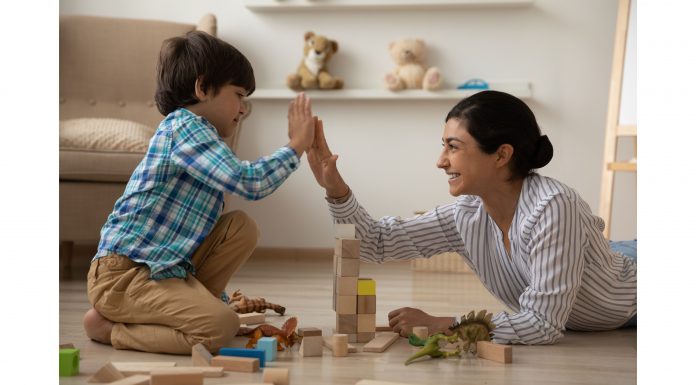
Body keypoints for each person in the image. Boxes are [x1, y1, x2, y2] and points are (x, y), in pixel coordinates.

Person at [307, 90, 636, 345]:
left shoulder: (554, 206)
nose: (440, 161)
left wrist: (447, 324)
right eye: (444, 146)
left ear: (501, 155)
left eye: (453, 147)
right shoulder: (466, 214)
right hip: (609, 260)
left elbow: (543, 325)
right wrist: (335, 188)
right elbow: (376, 244)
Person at [82, 31, 317, 354]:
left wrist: (215, 303)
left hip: (163, 269)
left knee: (240, 227)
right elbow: (249, 183)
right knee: (220, 329)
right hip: (126, 276)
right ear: (202, 88)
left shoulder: (201, 138)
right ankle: (109, 330)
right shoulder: (185, 127)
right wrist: (296, 146)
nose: (243, 108)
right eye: (238, 95)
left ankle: (200, 311)